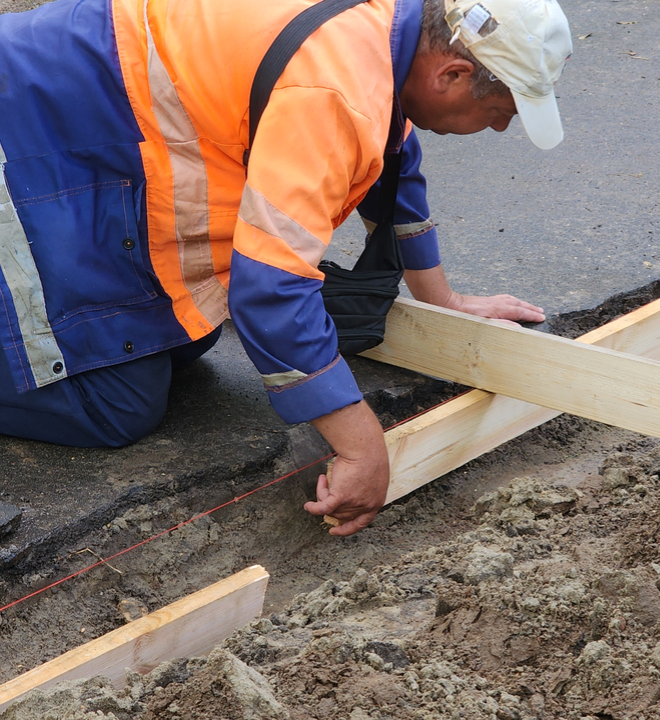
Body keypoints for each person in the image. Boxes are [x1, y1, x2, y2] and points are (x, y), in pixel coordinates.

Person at [0, 0, 571, 534]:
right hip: (31, 138)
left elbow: (394, 160)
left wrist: (441, 299)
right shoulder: (334, 89)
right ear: (451, 75)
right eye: (499, 111)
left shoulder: (389, 31)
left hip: (89, 123)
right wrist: (360, 446)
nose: (498, 128)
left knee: (184, 339)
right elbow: (269, 287)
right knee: (112, 406)